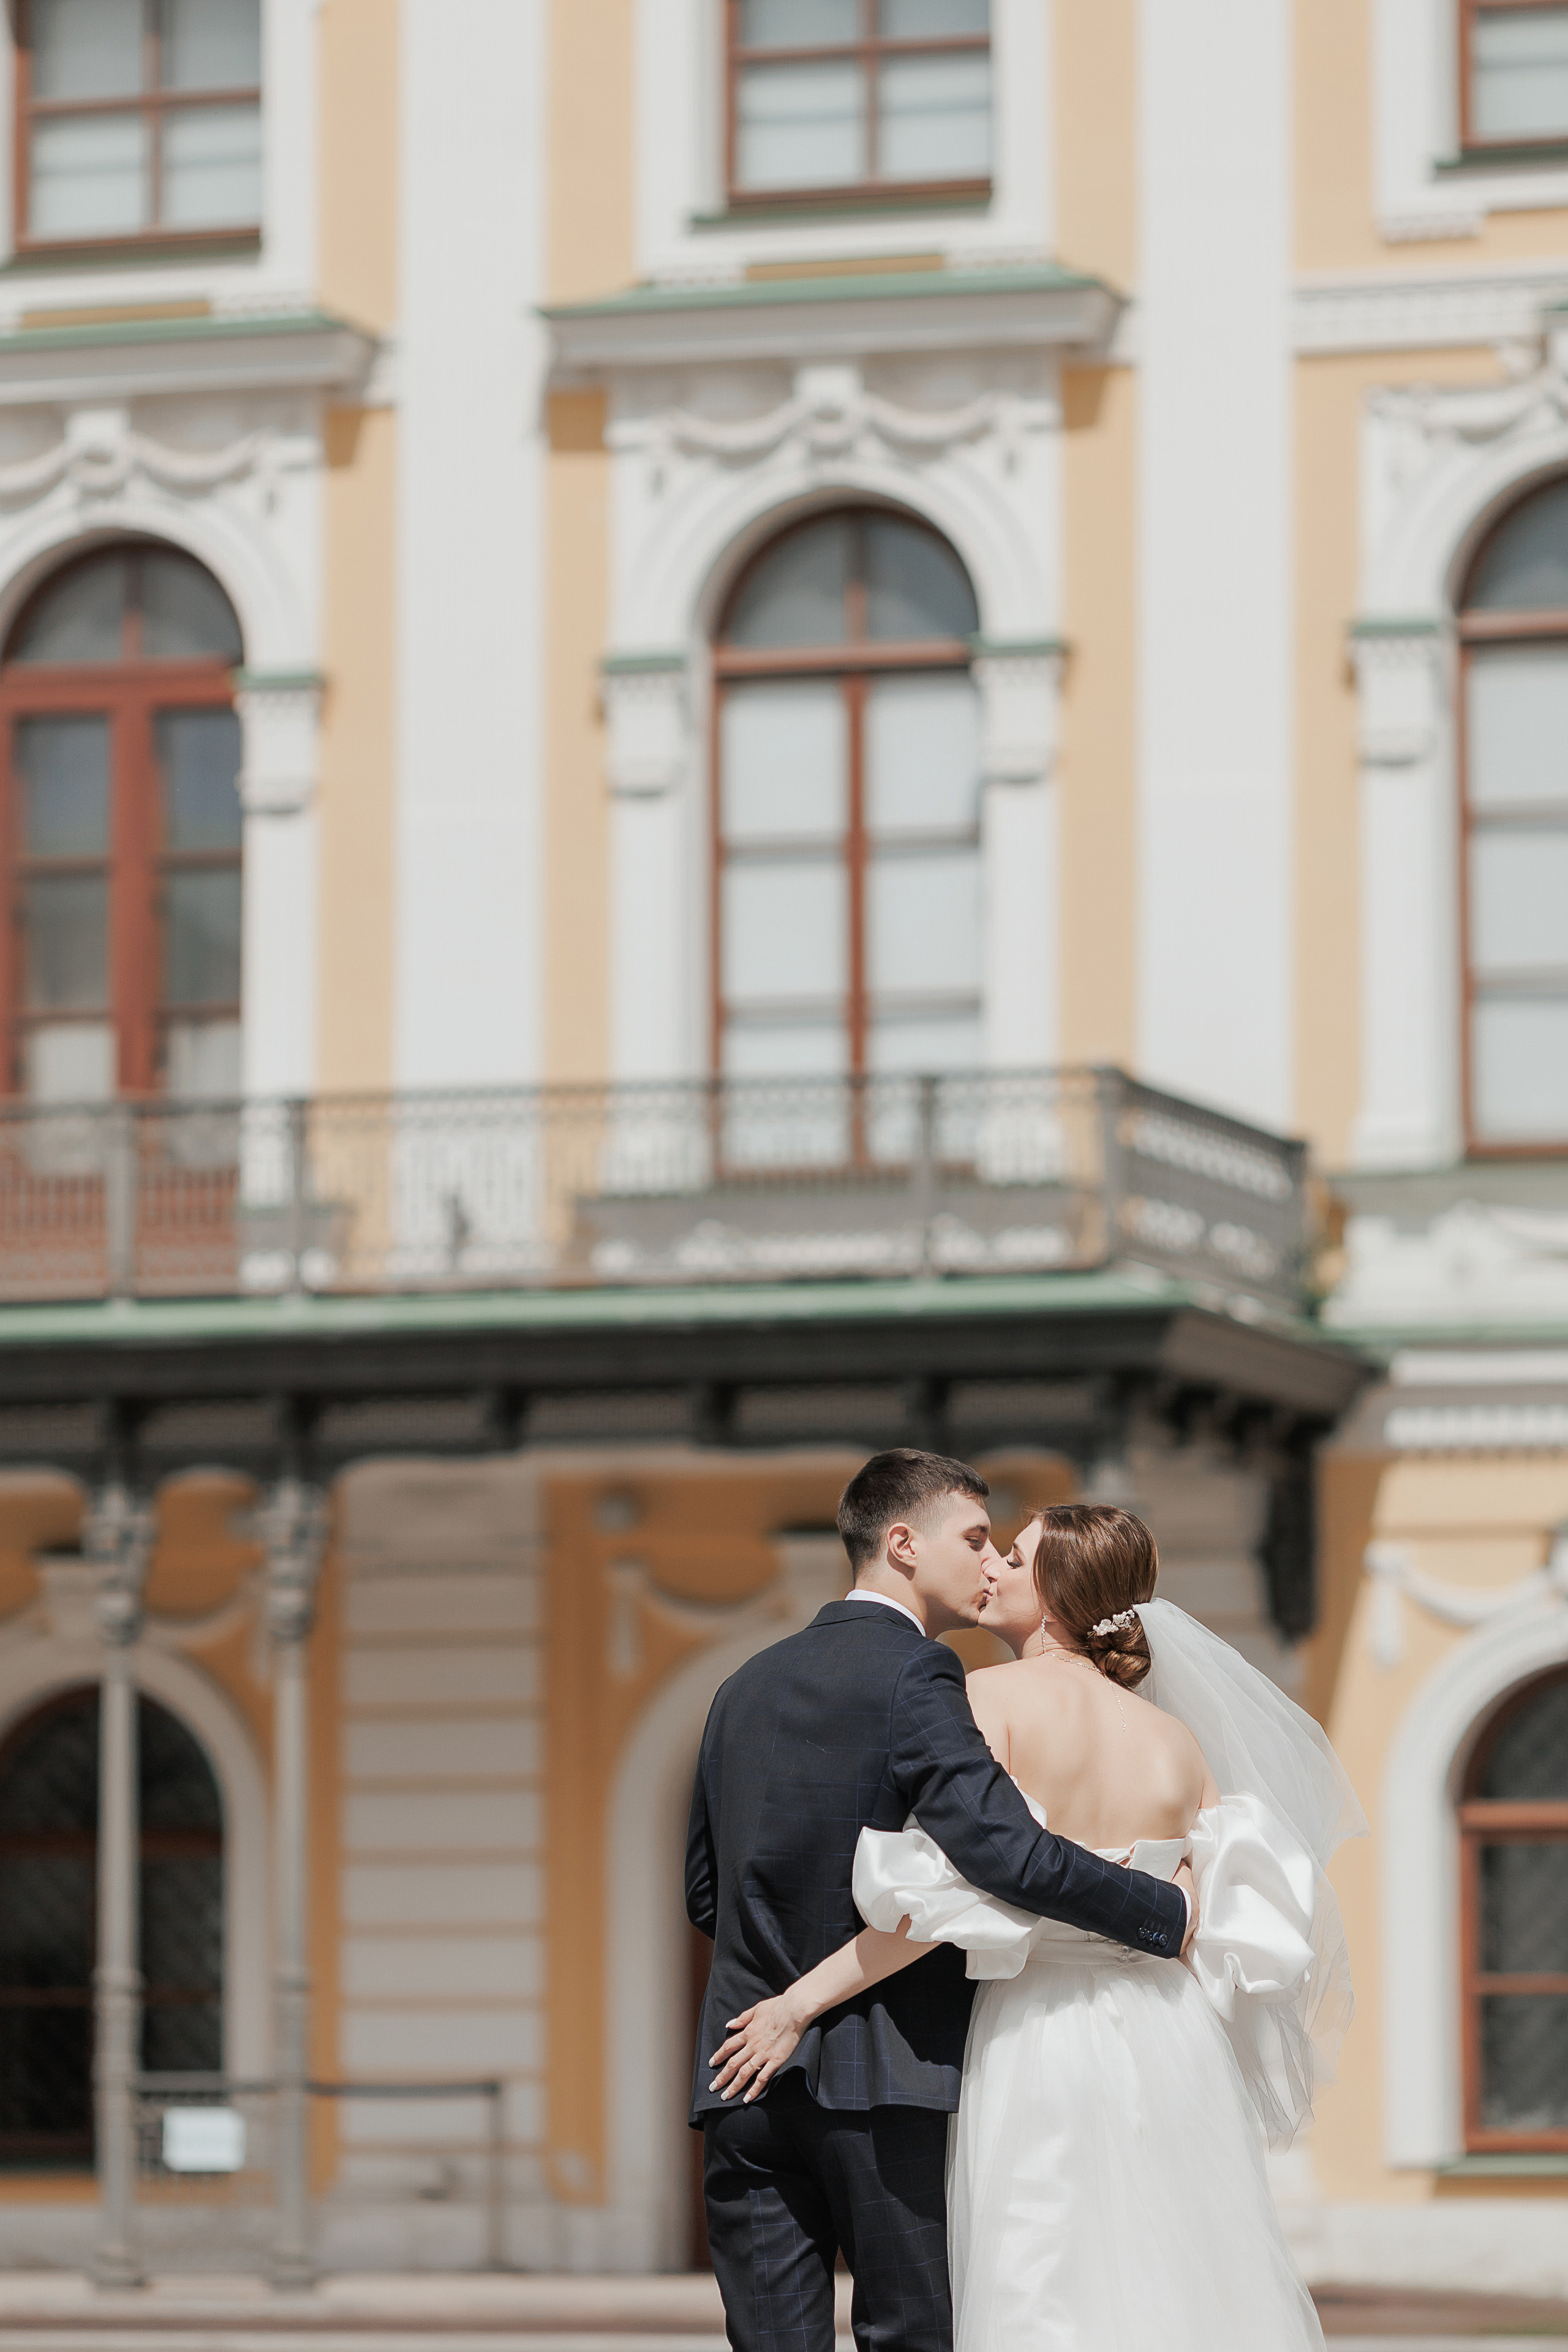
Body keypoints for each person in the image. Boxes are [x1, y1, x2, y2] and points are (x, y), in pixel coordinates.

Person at [709, 1502, 1365, 2352]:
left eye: (1013, 1559)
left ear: (1057, 1593)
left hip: (1040, 2030)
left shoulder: (987, 1699)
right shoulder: (1177, 1741)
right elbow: (1237, 1914)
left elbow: (941, 1905)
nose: (991, 1567)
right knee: (1177, 2281)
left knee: (1044, 2278)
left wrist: (797, 2004)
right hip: (1173, 2039)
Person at [685, 1454, 1193, 2352]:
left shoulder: (739, 1687)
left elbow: (703, 1893)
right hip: (885, 2081)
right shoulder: (921, 1675)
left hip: (739, 2077)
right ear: (904, 1544)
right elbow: (1003, 1853)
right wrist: (1162, 1911)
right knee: (912, 2336)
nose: (988, 1561)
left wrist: (779, 1991)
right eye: (974, 1538)